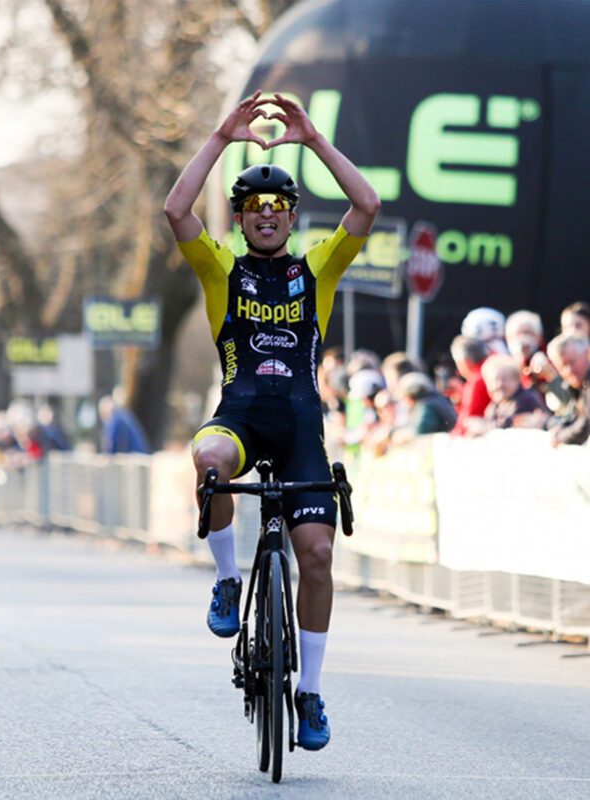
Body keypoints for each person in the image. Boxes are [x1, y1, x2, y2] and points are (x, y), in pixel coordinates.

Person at [164, 91, 380, 751]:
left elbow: (367, 205)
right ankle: (229, 581)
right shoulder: (220, 268)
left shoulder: (317, 269)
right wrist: (220, 136)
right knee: (208, 462)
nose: (265, 214)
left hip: (300, 431)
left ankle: (309, 691)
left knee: (316, 555)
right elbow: (176, 210)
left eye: (277, 206)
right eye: (254, 206)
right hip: (239, 417)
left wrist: (313, 140)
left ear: (291, 217)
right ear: (239, 218)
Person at [478, 354, 546, 433]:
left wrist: (482, 427)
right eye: (493, 381)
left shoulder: (526, 399)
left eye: (504, 380)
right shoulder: (496, 405)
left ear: (516, 379)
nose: (498, 385)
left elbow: (509, 424)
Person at [546, 333, 590, 446]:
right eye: (562, 367)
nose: (569, 370)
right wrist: (562, 427)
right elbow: (577, 417)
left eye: (572, 362)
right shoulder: (579, 386)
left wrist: (561, 437)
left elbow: (585, 428)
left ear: (588, 354)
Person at [449, 335, 491, 436]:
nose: (458, 371)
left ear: (465, 362)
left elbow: (468, 420)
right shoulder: (491, 371)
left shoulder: (477, 381)